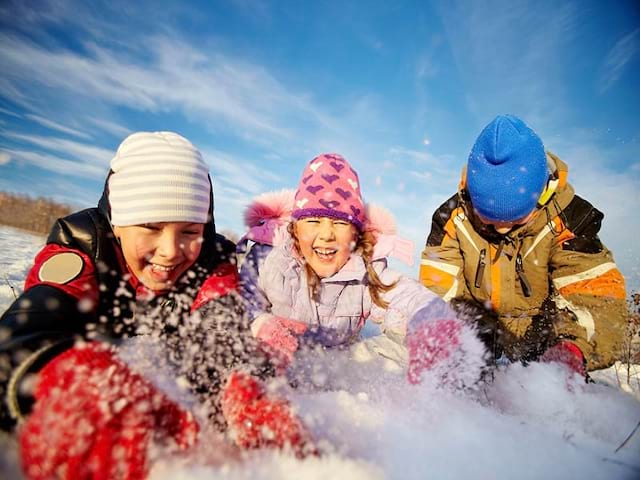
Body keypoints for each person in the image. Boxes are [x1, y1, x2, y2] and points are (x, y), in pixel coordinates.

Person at [0, 132, 314, 479]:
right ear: (117, 223)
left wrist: (241, 384)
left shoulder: (211, 261)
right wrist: (60, 378)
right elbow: (25, 332)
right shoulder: (83, 247)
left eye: (189, 231)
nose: (170, 250)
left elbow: (220, 327)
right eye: (151, 227)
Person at [237, 153, 487, 389]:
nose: (326, 234)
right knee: (241, 351)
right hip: (275, 364)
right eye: (313, 221)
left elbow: (402, 294)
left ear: (356, 232)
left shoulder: (365, 270)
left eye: (339, 223)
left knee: (400, 341)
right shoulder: (269, 259)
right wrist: (260, 324)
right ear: (296, 228)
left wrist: (428, 318)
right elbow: (240, 303)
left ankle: (416, 389)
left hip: (336, 371)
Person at [419, 114, 628, 377]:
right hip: (475, 350)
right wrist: (442, 336)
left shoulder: (570, 220)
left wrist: (571, 349)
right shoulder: (451, 219)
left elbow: (592, 295)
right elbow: (437, 289)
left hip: (546, 350)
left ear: (542, 194)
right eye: (488, 217)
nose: (502, 228)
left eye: (516, 217)